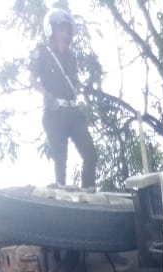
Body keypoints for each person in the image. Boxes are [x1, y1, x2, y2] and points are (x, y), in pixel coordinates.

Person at [30, 7, 97, 190]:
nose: (64, 33)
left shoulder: (71, 57)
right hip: (54, 112)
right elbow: (32, 80)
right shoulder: (42, 53)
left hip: (73, 111)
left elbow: (74, 82)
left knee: (90, 153)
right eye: (61, 28)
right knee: (61, 158)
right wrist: (46, 94)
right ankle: (60, 189)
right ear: (51, 29)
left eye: (67, 29)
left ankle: (89, 190)